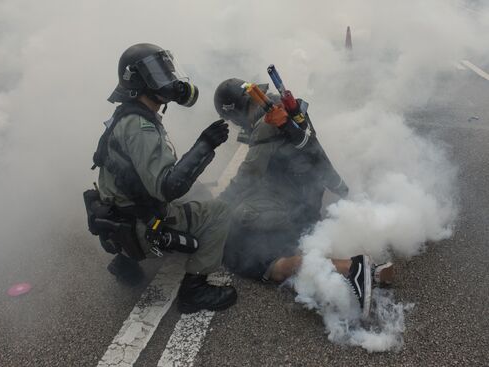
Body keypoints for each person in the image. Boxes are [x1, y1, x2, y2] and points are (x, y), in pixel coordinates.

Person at [213, 78, 393, 316]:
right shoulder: (282, 108)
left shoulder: (267, 124)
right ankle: (340, 265)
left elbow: (247, 176)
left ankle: (351, 269)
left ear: (235, 113)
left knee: (239, 248)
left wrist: (215, 210)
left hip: (292, 206)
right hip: (307, 198)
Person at [86, 43, 237, 314]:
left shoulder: (127, 114)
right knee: (219, 211)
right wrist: (205, 144)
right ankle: (195, 291)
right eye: (157, 72)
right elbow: (168, 187)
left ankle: (126, 262)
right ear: (140, 81)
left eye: (165, 69)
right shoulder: (141, 127)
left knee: (199, 191)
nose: (167, 78)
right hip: (142, 224)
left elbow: (132, 179)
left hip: (120, 217)